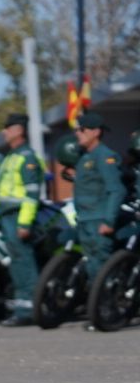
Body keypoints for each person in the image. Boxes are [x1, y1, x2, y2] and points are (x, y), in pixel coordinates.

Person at [0, 113, 44, 326]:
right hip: (7, 216)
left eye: (8, 127)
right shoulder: (10, 156)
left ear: (19, 130)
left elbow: (32, 194)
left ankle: (30, 310)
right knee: (16, 263)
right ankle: (21, 308)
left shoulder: (27, 157)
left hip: (18, 216)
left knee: (24, 263)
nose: (4, 132)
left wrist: (24, 223)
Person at [72, 113, 125, 311]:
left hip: (99, 220)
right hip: (85, 219)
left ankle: (106, 310)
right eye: (77, 129)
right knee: (92, 267)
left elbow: (116, 190)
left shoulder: (105, 156)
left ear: (96, 132)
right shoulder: (85, 156)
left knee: (102, 268)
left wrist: (109, 221)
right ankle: (97, 310)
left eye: (82, 129)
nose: (78, 133)